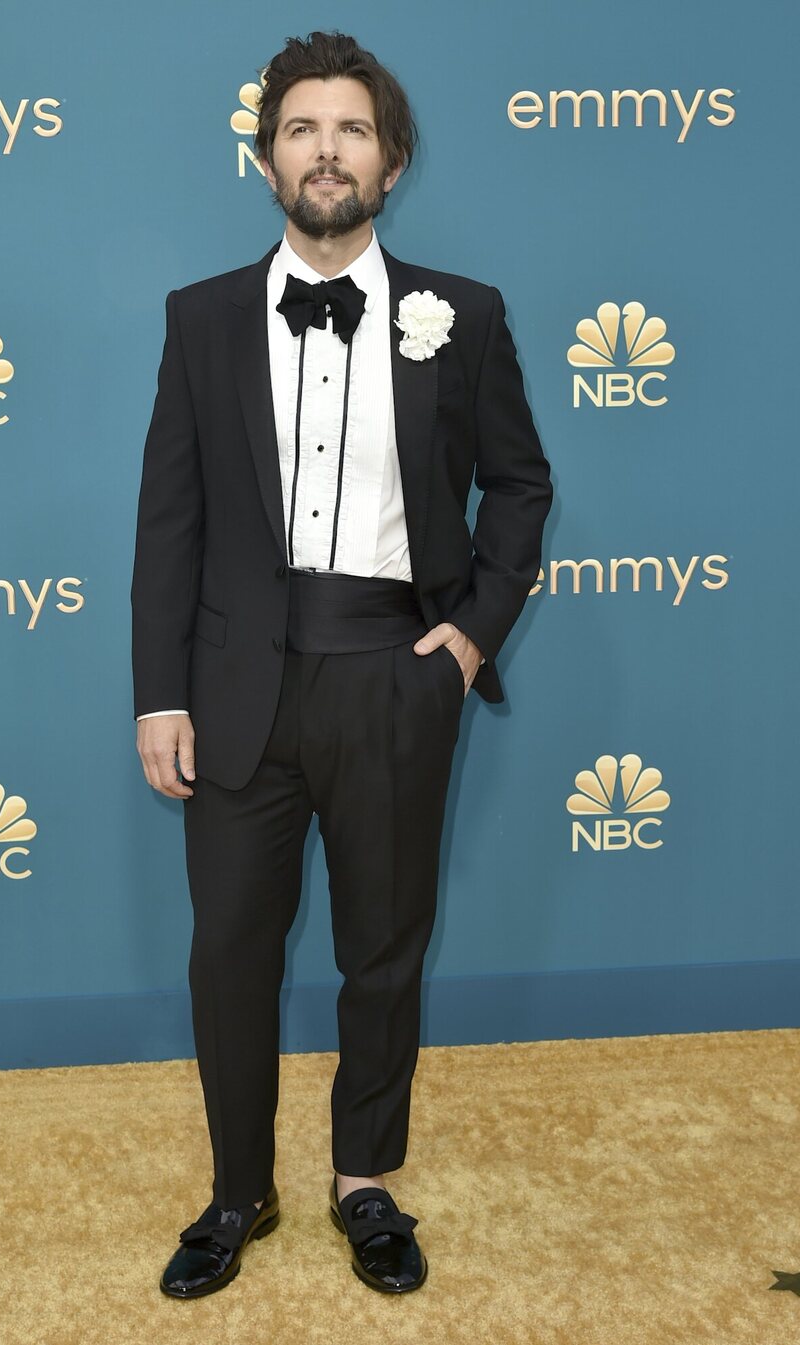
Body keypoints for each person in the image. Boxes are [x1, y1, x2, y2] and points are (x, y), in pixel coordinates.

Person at [131, 29, 552, 1298]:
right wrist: (160, 689)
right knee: (229, 955)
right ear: (266, 162)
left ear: (393, 157)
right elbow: (171, 519)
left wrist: (469, 633)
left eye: (352, 129)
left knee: (383, 949)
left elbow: (520, 487)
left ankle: (365, 1177)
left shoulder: (461, 315)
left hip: (390, 676)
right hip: (236, 686)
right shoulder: (200, 318)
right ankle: (236, 1191)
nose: (328, 150)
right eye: (303, 129)